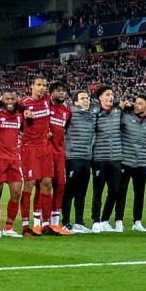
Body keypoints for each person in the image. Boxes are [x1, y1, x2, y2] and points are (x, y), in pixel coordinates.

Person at [20, 76, 60, 236]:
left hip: (45, 147)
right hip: (30, 148)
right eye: (38, 85)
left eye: (44, 85)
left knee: (47, 184)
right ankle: (25, 226)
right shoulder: (23, 103)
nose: (42, 88)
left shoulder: (48, 100)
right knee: (29, 185)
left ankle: (45, 225)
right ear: (31, 86)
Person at [0, 88, 25, 237]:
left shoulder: (20, 115)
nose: (10, 102)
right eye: (7, 99)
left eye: (12, 99)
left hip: (14, 159)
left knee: (16, 193)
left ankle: (9, 227)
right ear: (2, 100)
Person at [90, 85, 125, 233]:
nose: (111, 97)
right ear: (100, 98)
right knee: (98, 190)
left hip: (116, 157)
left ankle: (105, 220)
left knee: (115, 191)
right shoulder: (95, 113)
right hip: (99, 157)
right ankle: (95, 221)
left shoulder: (118, 112)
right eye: (107, 94)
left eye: (112, 94)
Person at [63, 90, 95, 233]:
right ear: (75, 102)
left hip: (86, 158)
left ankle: (79, 223)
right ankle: (65, 223)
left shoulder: (91, 116)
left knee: (81, 192)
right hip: (73, 157)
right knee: (70, 191)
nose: (86, 101)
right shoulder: (70, 113)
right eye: (82, 98)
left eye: (87, 98)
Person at [47, 82, 72, 235]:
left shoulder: (67, 111)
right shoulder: (46, 108)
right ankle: (42, 223)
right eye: (58, 91)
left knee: (60, 186)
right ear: (51, 93)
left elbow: (65, 129)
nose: (61, 93)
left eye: (63, 91)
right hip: (45, 152)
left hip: (59, 153)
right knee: (44, 186)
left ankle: (55, 223)